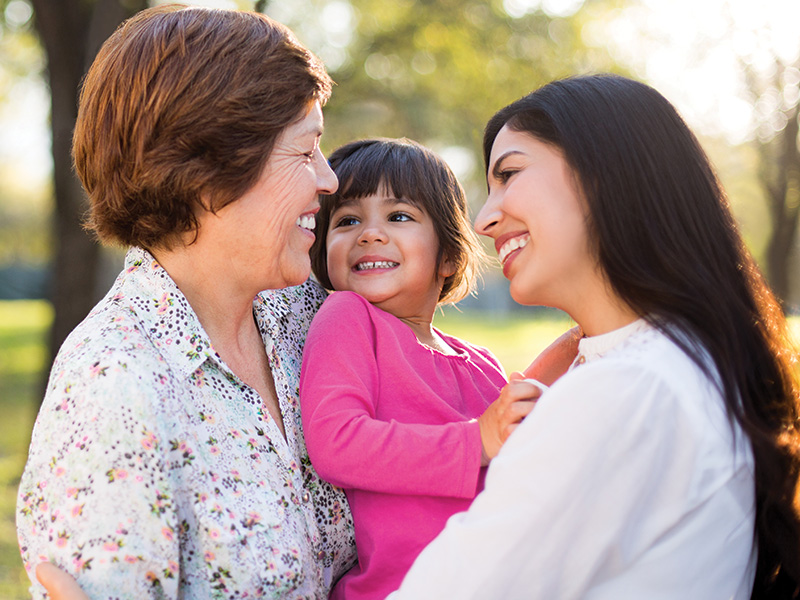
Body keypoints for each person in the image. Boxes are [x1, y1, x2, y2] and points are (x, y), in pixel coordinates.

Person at [389, 74, 800, 599]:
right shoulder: (682, 362)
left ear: (605, 172)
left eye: (509, 174)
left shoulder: (629, 390)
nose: (486, 219)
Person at [16, 6, 357, 598]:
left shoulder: (308, 316)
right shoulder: (113, 383)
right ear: (209, 171)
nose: (329, 180)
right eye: (305, 152)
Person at [299, 138, 542, 600]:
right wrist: (477, 441)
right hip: (400, 588)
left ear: (448, 255)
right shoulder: (349, 317)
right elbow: (337, 442)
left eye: (399, 216)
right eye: (348, 221)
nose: (369, 234)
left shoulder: (482, 363)